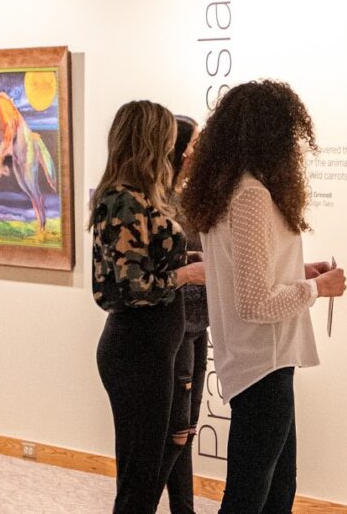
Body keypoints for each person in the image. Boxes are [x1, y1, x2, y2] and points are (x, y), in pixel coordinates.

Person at [181, 80, 347, 514]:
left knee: (275, 488)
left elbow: (246, 276)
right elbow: (255, 303)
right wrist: (317, 288)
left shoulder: (227, 189)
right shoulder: (251, 194)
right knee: (254, 495)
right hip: (264, 363)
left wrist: (301, 273)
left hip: (256, 360)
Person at [90, 100, 206, 514]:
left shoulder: (141, 197)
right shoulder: (122, 200)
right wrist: (187, 276)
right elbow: (130, 286)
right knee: (140, 479)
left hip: (155, 347)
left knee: (149, 469)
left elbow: (150, 261)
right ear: (151, 141)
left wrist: (189, 263)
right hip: (135, 349)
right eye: (171, 139)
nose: (180, 148)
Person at [164, 115, 210, 513]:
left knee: (188, 429)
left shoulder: (191, 197)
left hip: (199, 325)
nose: (197, 150)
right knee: (176, 431)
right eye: (193, 142)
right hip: (176, 326)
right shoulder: (161, 203)